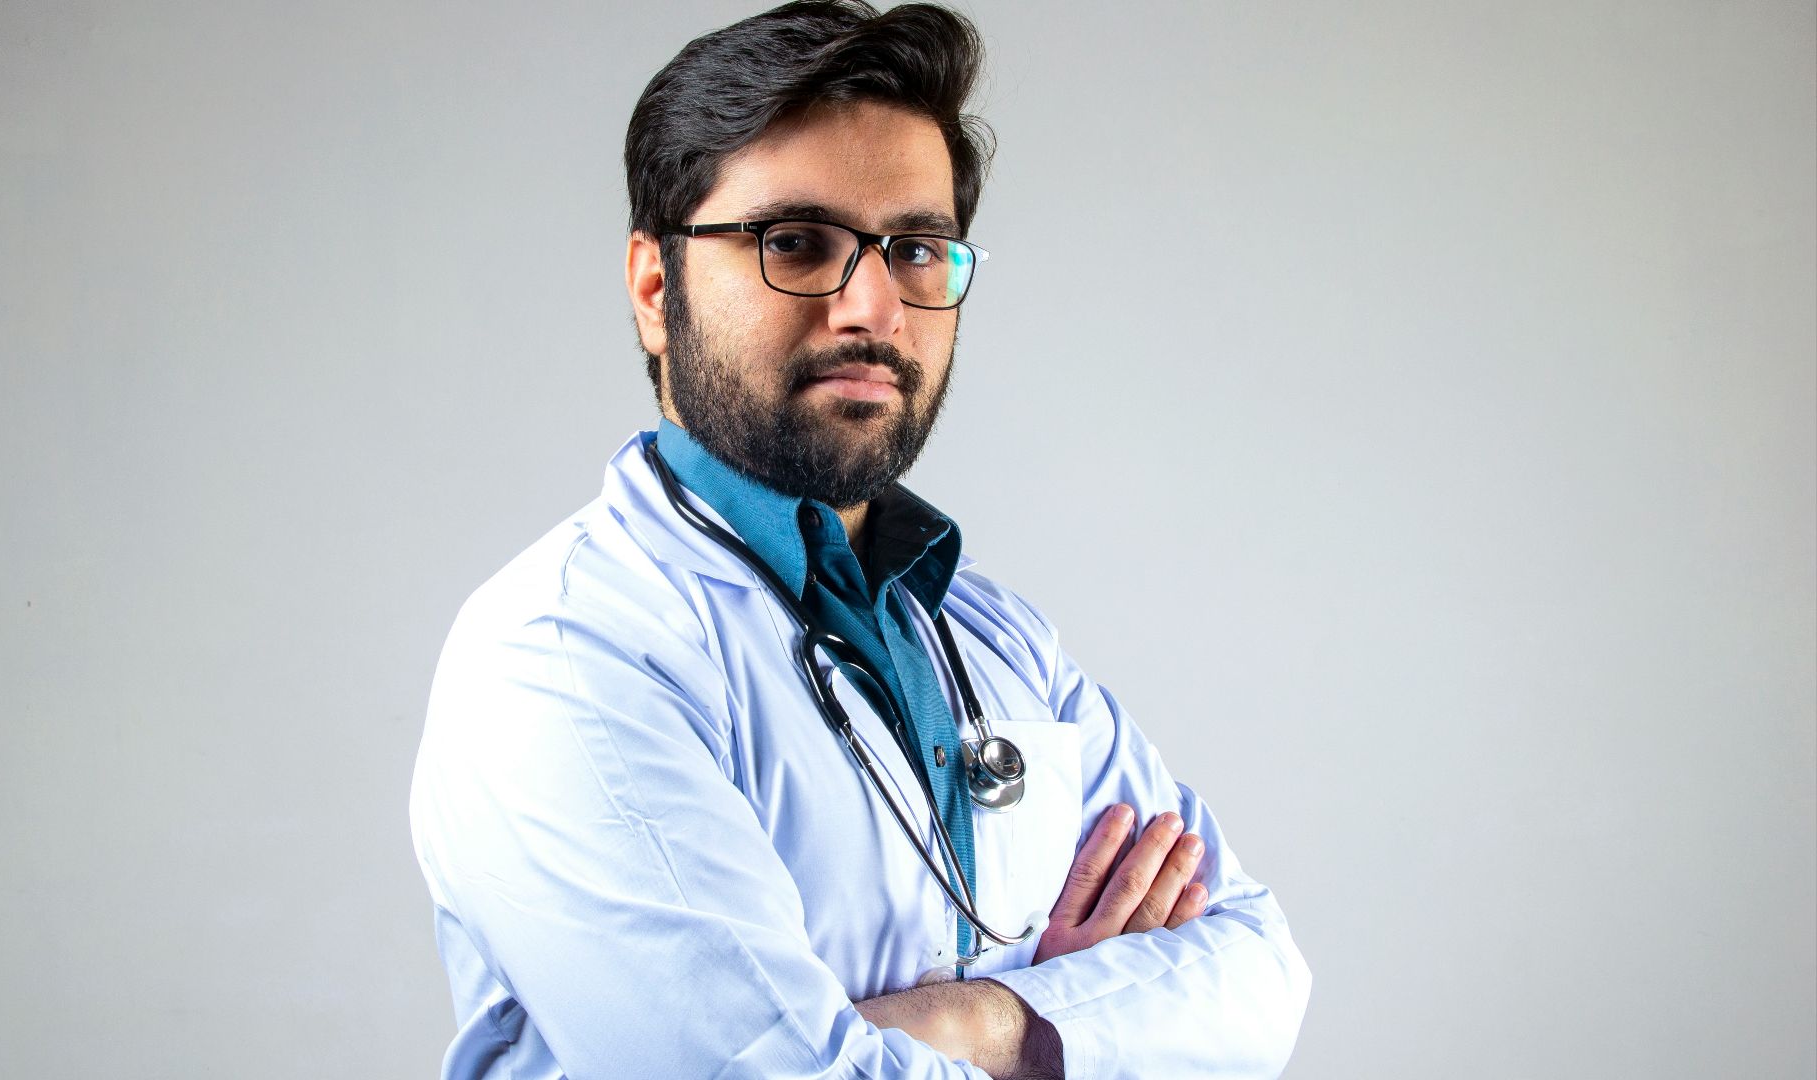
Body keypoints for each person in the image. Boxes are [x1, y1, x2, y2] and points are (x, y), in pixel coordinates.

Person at [408, 2, 1312, 1076]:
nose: (874, 308)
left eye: (917, 250)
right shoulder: (566, 655)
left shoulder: (995, 639)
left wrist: (989, 1021)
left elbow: (1260, 968)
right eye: (796, 243)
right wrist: (1082, 1024)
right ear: (657, 289)